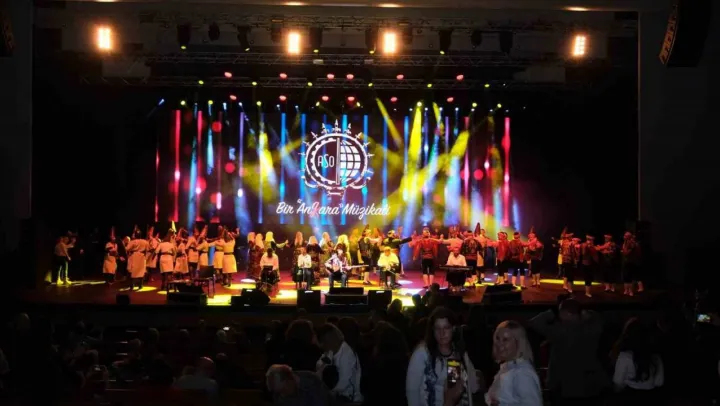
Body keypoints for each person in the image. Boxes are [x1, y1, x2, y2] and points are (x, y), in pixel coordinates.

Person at [529, 298, 608, 404]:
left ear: (566, 313)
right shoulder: (593, 327)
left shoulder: (559, 331)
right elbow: (598, 318)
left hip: (563, 386)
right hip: (589, 385)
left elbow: (534, 322)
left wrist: (550, 313)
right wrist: (587, 313)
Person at [406, 307, 479, 406]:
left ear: (453, 329)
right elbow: (412, 390)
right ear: (432, 330)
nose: (442, 333)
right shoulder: (422, 353)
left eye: (446, 328)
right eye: (438, 328)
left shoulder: (456, 353)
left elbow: (455, 389)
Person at [485, 320, 542, 406]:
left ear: (518, 342)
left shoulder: (522, 372)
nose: (499, 344)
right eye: (497, 338)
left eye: (505, 340)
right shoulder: (508, 367)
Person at [610, 318, 664, 397]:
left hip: (629, 396)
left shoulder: (624, 357)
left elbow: (617, 384)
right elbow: (659, 383)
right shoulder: (656, 357)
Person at [316, 323, 363, 403]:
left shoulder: (347, 353)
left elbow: (344, 382)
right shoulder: (331, 351)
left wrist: (327, 393)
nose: (323, 347)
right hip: (336, 394)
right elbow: (318, 366)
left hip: (349, 397)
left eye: (324, 343)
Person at [266, 364, 330, 406]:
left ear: (289, 380)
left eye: (283, 391)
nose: (282, 395)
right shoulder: (278, 394)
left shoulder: (312, 382)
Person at [621, 231, 642, 296]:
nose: (624, 236)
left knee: (629, 277)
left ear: (628, 237)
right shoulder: (625, 243)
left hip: (631, 262)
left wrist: (624, 251)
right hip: (626, 262)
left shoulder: (631, 243)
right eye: (624, 235)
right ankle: (626, 290)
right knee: (626, 277)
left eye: (625, 236)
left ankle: (630, 291)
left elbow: (627, 253)